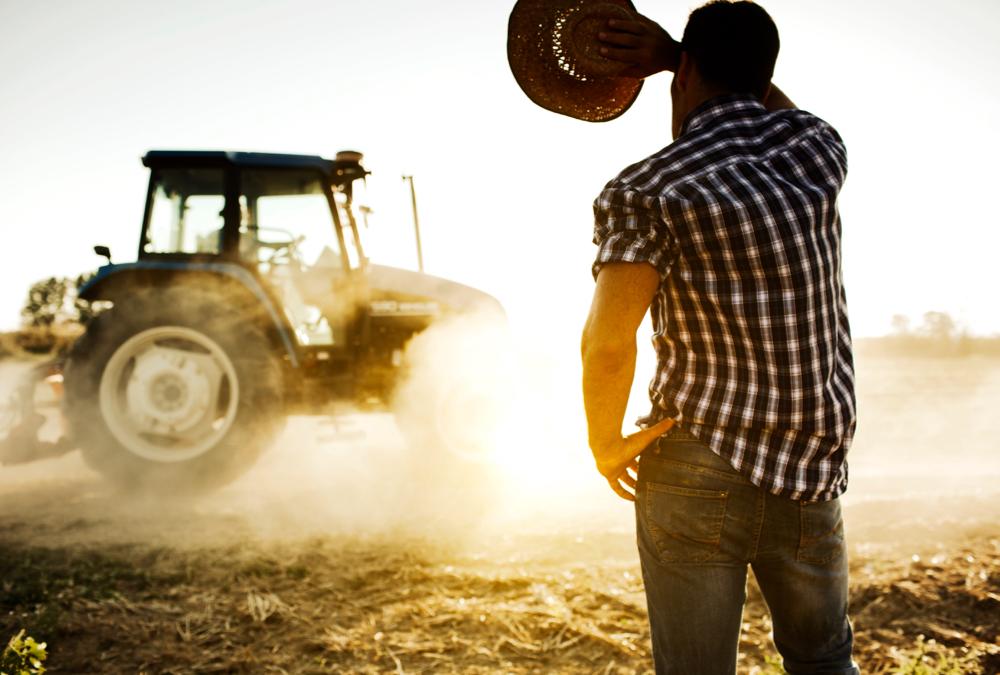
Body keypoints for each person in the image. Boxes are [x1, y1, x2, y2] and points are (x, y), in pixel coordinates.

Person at [579, 2, 860, 674]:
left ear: (685, 75)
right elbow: (773, 102)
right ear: (765, 73)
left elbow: (609, 341)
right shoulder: (817, 150)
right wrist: (679, 52)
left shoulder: (647, 187)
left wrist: (604, 440)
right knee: (824, 661)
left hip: (696, 460)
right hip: (810, 464)